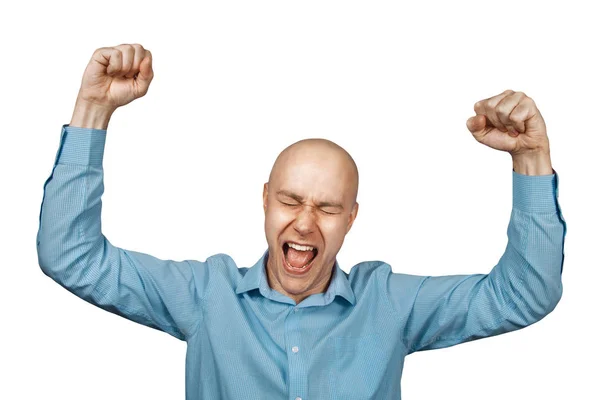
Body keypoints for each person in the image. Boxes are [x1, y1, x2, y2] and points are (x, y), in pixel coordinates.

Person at [36, 43, 567, 400]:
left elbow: (522, 296)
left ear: (352, 219)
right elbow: (69, 256)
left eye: (328, 207)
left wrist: (531, 158)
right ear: (265, 201)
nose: (306, 224)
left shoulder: (390, 304)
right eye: (290, 200)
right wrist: (92, 111)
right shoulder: (205, 294)